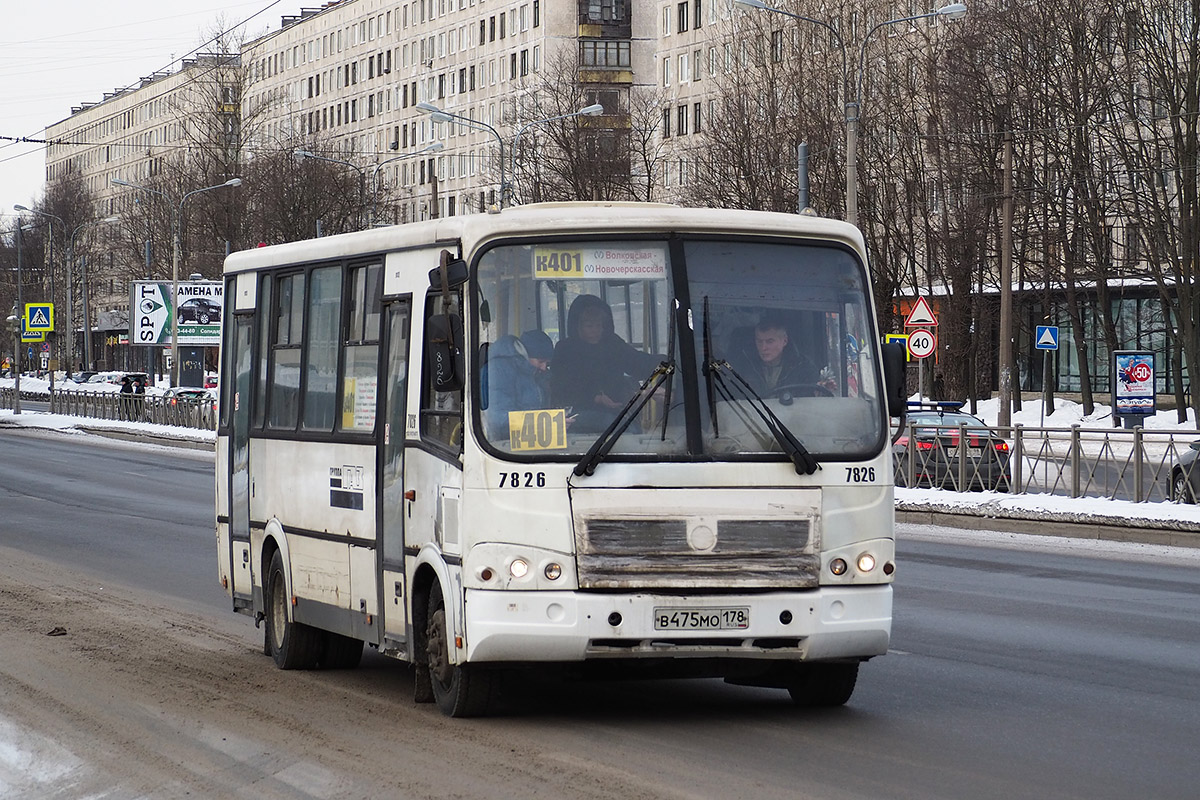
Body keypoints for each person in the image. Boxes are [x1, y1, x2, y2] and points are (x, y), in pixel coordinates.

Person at [550, 295, 661, 432]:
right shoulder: (565, 349)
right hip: (576, 414)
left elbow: (636, 362)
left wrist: (666, 363)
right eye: (589, 326)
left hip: (615, 411)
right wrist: (596, 398)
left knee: (636, 432)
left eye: (599, 325)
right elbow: (560, 388)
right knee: (625, 429)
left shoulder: (613, 344)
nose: (595, 330)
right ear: (577, 326)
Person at [482, 330, 555, 440]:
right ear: (524, 354)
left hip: (529, 439)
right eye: (541, 361)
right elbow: (496, 418)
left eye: (547, 363)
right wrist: (545, 422)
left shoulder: (534, 373)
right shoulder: (498, 370)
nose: (544, 367)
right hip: (502, 445)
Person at [734, 315, 818, 396]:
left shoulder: (803, 368)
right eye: (759, 341)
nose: (763, 348)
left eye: (769, 341)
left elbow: (807, 404)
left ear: (784, 341)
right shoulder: (743, 366)